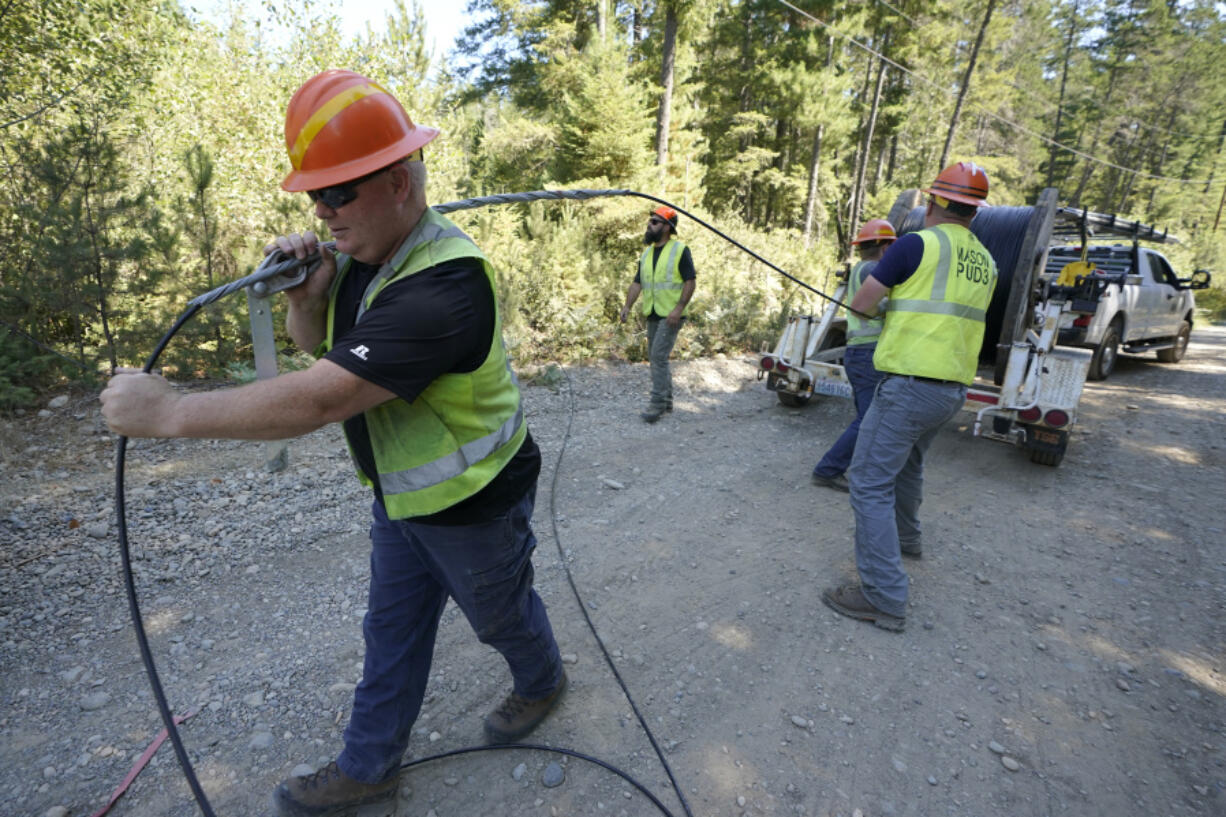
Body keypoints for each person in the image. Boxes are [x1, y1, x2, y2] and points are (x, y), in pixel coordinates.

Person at [100, 69, 566, 817]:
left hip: (477, 503)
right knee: (389, 632)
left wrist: (170, 414)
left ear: (401, 186)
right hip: (403, 497)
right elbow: (321, 350)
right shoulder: (363, 259)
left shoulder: (445, 290)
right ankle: (369, 763)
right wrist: (307, 298)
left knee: (501, 616)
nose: (322, 209)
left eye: (340, 192)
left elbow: (324, 397)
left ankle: (541, 678)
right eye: (316, 195)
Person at [822, 162, 998, 632]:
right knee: (910, 466)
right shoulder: (986, 259)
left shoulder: (916, 244)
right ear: (975, 212)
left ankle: (882, 596)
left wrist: (890, 308)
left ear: (936, 202)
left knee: (867, 480)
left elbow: (860, 304)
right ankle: (907, 540)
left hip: (909, 385)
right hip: (952, 389)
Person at [810, 219, 896, 492]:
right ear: (884, 246)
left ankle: (855, 467)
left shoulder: (862, 268)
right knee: (869, 419)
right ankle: (828, 469)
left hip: (859, 353)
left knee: (867, 417)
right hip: (868, 352)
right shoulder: (874, 269)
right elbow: (879, 305)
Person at [618, 205, 696, 423]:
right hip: (652, 312)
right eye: (650, 221)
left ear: (666, 227)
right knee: (657, 358)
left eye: (655, 222)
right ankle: (668, 401)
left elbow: (690, 281)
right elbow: (637, 283)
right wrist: (627, 306)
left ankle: (657, 404)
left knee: (658, 357)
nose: (649, 225)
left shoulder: (680, 250)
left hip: (671, 314)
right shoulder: (646, 254)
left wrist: (679, 308)